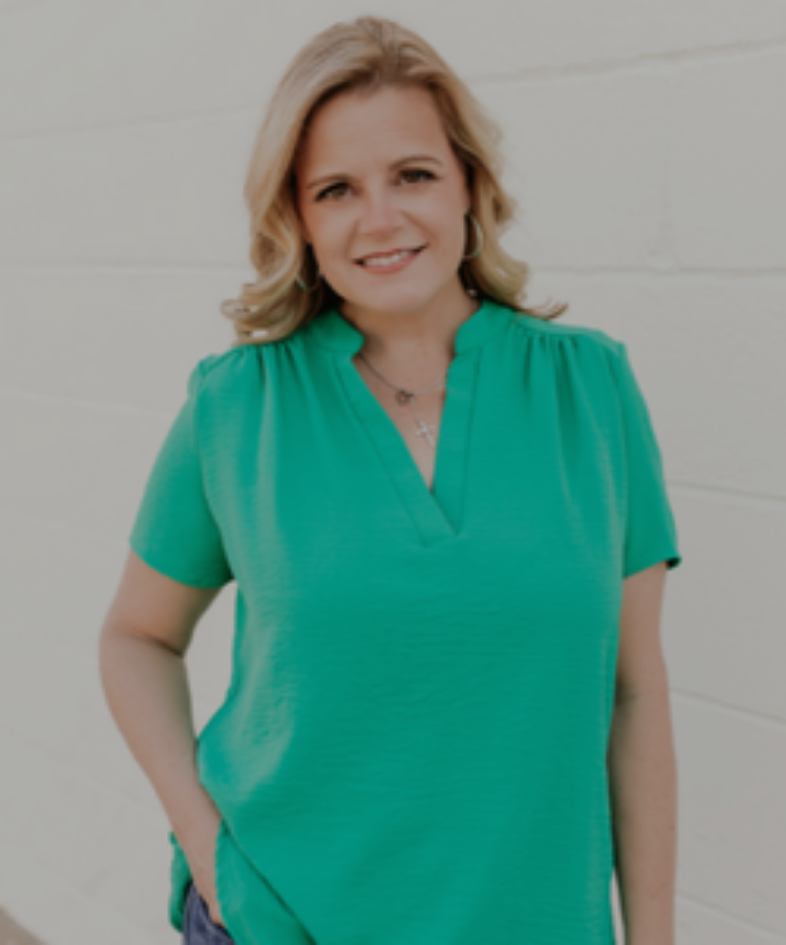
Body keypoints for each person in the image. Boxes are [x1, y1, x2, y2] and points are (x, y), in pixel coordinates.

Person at [99, 16, 681, 945]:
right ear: (297, 216)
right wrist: (209, 851)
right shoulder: (238, 406)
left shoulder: (590, 391)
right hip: (283, 920)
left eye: (413, 174)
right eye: (336, 189)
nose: (380, 218)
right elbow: (137, 637)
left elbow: (633, 691)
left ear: (468, 185)